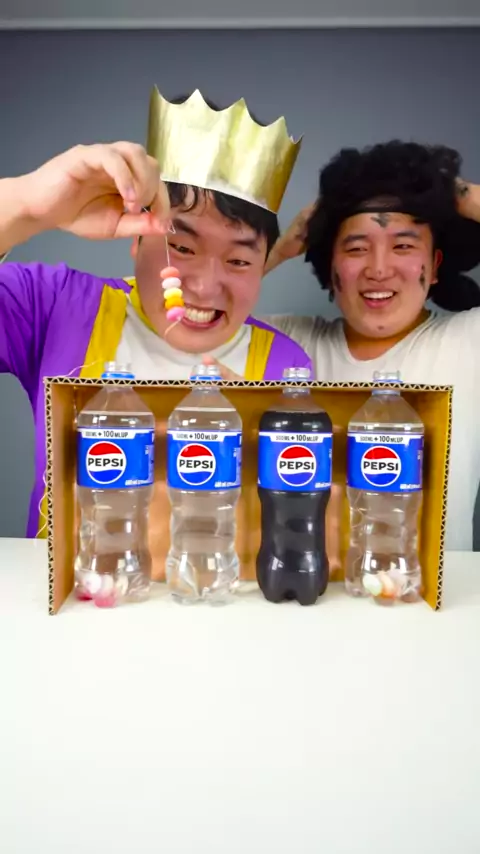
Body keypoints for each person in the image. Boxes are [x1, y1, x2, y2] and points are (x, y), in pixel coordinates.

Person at [0, 87, 308, 537]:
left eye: (239, 260)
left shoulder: (286, 366)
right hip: (64, 583)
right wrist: (25, 205)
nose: (204, 286)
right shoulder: (53, 304)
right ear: (136, 239)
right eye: (181, 247)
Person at [264, 141, 480, 551]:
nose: (379, 269)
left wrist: (460, 194)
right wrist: (277, 249)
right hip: (308, 584)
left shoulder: (470, 342)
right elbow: (187, 313)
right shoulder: (285, 342)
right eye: (357, 249)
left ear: (434, 266)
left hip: (436, 589)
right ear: (330, 265)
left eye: (403, 246)